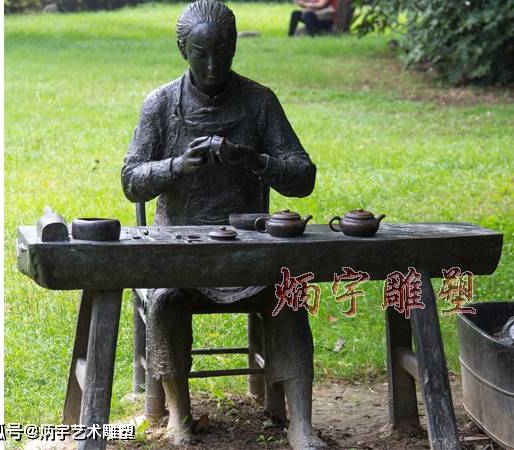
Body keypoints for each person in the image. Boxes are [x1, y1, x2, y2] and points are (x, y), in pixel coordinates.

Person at [121, 1, 326, 448]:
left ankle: (300, 424)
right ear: (182, 50)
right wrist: (177, 165)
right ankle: (179, 415)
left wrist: (254, 159)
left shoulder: (258, 101)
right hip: (179, 249)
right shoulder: (159, 105)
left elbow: (303, 177)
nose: (213, 65)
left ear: (235, 47)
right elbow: (131, 182)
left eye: (223, 52)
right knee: (167, 299)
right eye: (200, 53)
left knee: (287, 297)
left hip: (249, 251)